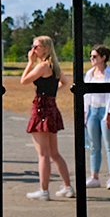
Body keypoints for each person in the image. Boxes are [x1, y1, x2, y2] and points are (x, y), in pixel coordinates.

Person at [21, 35, 74, 201]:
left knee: (43, 154)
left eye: (36, 46)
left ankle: (44, 190)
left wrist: (30, 62)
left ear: (45, 48)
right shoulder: (54, 66)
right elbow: (65, 82)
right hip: (51, 107)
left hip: (41, 108)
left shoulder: (43, 66)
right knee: (54, 153)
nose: (33, 49)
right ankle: (68, 186)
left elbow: (24, 80)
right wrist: (53, 92)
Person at [83, 44, 110, 190]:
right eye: (91, 56)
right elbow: (86, 95)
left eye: (95, 56)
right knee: (94, 146)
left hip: (106, 111)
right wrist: (85, 115)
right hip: (93, 111)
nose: (92, 59)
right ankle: (94, 176)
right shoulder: (89, 74)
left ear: (103, 58)